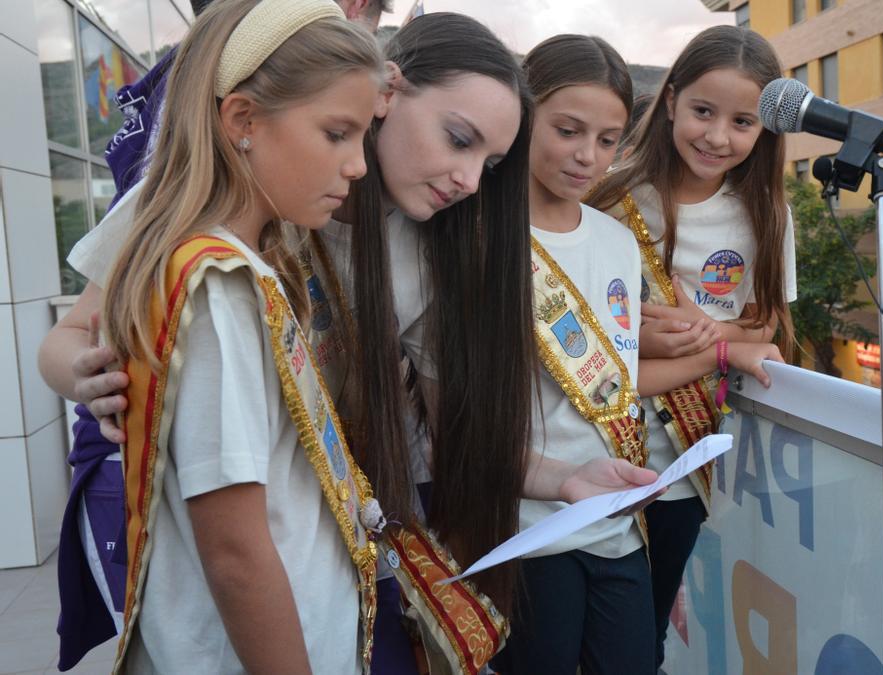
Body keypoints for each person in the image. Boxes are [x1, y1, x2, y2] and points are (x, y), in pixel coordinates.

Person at [47, 11, 657, 673]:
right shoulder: (215, 224)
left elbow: (448, 431)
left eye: (491, 162)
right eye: (458, 139)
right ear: (386, 96)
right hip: (231, 550)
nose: (469, 179)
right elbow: (70, 340)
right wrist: (88, 376)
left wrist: (564, 477)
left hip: (328, 547)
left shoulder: (429, 251)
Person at [43, 0, 394, 669]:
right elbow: (235, 551)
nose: (357, 166)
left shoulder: (242, 261)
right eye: (337, 134)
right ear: (243, 122)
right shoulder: (219, 285)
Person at [492, 33, 778, 675]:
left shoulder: (620, 240)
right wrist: (711, 347)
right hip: (529, 515)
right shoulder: (495, 230)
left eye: (606, 139)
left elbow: (620, 373)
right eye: (567, 130)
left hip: (633, 500)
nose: (585, 155)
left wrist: (713, 346)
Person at [587, 24, 794, 668]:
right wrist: (652, 332)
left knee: (641, 634)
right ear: (670, 100)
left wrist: (700, 328)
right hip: (593, 447)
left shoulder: (764, 211)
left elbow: (767, 328)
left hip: (685, 465)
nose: (717, 137)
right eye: (703, 111)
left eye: (742, 122)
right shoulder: (612, 197)